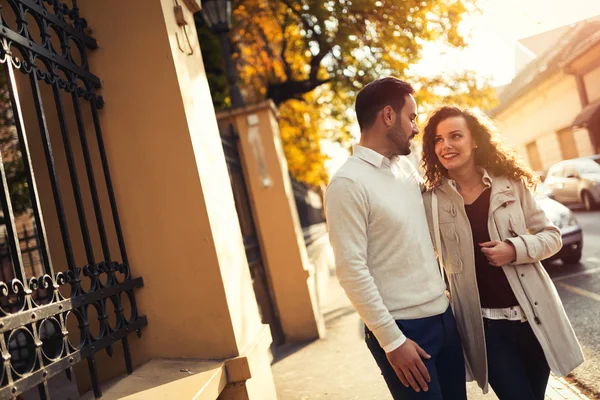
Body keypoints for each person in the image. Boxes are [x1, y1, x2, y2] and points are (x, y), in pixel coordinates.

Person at [420, 105, 584, 400]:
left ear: (475, 140)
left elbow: (552, 237)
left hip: (534, 317)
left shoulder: (510, 183)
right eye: (438, 139)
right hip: (485, 328)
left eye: (455, 136)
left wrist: (514, 249)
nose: (446, 145)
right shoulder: (430, 199)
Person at [324, 78, 467, 400]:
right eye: (412, 117)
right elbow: (351, 270)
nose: (416, 128)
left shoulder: (404, 167)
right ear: (388, 116)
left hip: (443, 316)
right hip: (404, 332)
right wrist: (392, 341)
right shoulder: (347, 184)